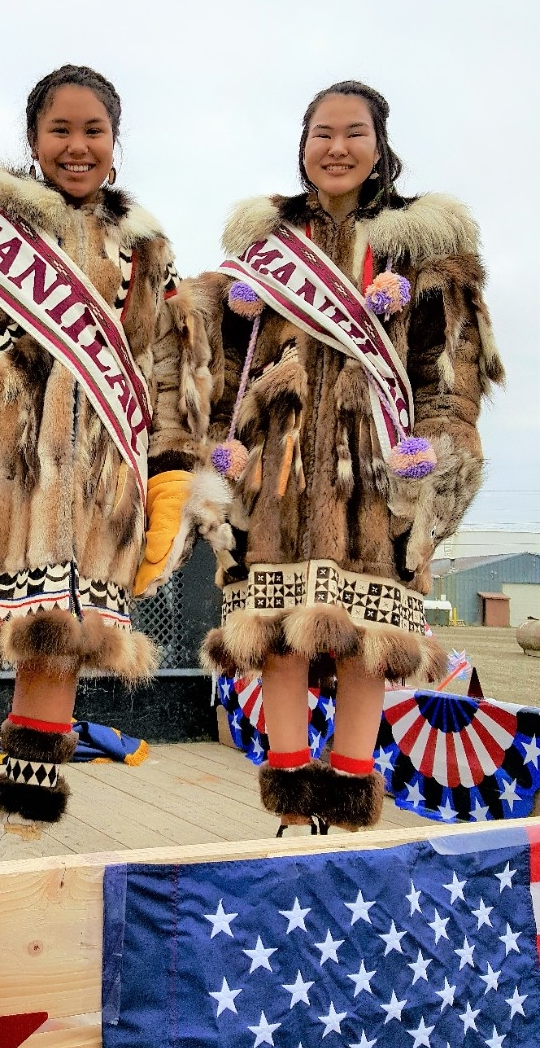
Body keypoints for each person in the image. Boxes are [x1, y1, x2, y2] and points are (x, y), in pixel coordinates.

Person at [0, 65, 225, 866]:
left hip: (100, 490)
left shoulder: (147, 255)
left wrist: (172, 480)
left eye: (93, 130)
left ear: (115, 143)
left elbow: (171, 378)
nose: (77, 145)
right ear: (33, 139)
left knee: (59, 643)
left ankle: (30, 822)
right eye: (61, 129)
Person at [195, 80, 503, 834]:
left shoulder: (424, 245)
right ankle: (292, 803)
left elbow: (448, 368)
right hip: (279, 465)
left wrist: (438, 459)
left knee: (371, 638)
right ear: (302, 147)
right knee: (277, 632)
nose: (336, 148)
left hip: (381, 468)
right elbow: (225, 366)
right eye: (321, 134)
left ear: (380, 143)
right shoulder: (265, 250)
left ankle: (354, 793)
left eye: (353, 133)